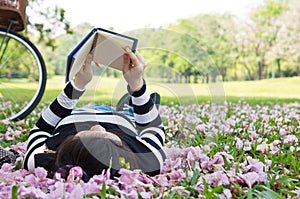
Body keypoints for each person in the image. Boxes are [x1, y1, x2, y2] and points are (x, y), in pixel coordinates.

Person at [23, 48, 166, 181]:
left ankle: (129, 107)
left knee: (136, 112)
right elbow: (153, 128)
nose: (98, 126)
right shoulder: (149, 160)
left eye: (86, 133)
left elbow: (41, 128)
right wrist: (136, 84)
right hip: (120, 120)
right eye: (110, 138)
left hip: (80, 112)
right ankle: (129, 108)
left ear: (69, 148)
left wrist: (77, 85)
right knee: (140, 115)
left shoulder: (40, 160)